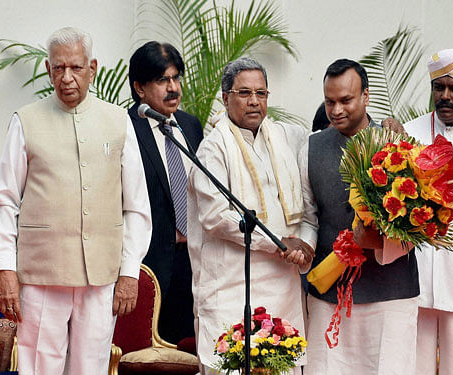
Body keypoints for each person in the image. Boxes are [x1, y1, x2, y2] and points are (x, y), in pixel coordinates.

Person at [0, 27, 152, 375]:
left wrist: (129, 272)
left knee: (90, 368)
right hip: (40, 274)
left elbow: (136, 206)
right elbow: (5, 201)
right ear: (48, 70)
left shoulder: (118, 120)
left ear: (92, 68)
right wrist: (6, 269)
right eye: (58, 68)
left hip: (101, 275)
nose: (67, 78)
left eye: (76, 68)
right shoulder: (26, 121)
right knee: (38, 367)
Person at [188, 57, 314, 375]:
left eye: (261, 93)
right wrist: (277, 243)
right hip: (230, 287)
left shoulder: (291, 138)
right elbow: (216, 217)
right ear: (225, 96)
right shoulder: (212, 148)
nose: (254, 101)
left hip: (283, 287)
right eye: (244, 93)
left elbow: (310, 206)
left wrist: (306, 244)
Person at [299, 59, 419, 375]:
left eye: (346, 100)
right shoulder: (310, 147)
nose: (336, 109)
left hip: (391, 293)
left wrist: (378, 242)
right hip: (328, 292)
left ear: (366, 96)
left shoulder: (397, 144)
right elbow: (309, 216)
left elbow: (420, 223)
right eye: (330, 101)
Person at [403, 49, 453, 375]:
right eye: (438, 87)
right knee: (410, 368)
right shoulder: (409, 134)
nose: (444, 96)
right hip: (412, 283)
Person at [128, 41, 203, 344]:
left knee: (190, 351)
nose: (173, 88)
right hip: (151, 266)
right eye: (162, 80)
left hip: (194, 262)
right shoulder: (126, 129)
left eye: (176, 78)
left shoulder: (190, 126)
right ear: (140, 88)